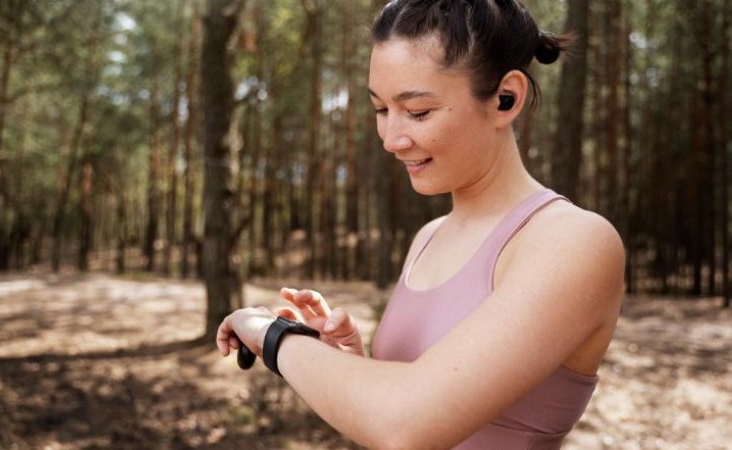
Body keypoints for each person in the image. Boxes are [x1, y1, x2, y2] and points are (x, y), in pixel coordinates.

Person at [215, 1, 625, 448]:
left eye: (418, 111)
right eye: (380, 109)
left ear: (506, 98)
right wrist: (346, 365)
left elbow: (405, 424)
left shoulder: (573, 241)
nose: (392, 139)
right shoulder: (427, 239)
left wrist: (276, 337)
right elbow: (395, 413)